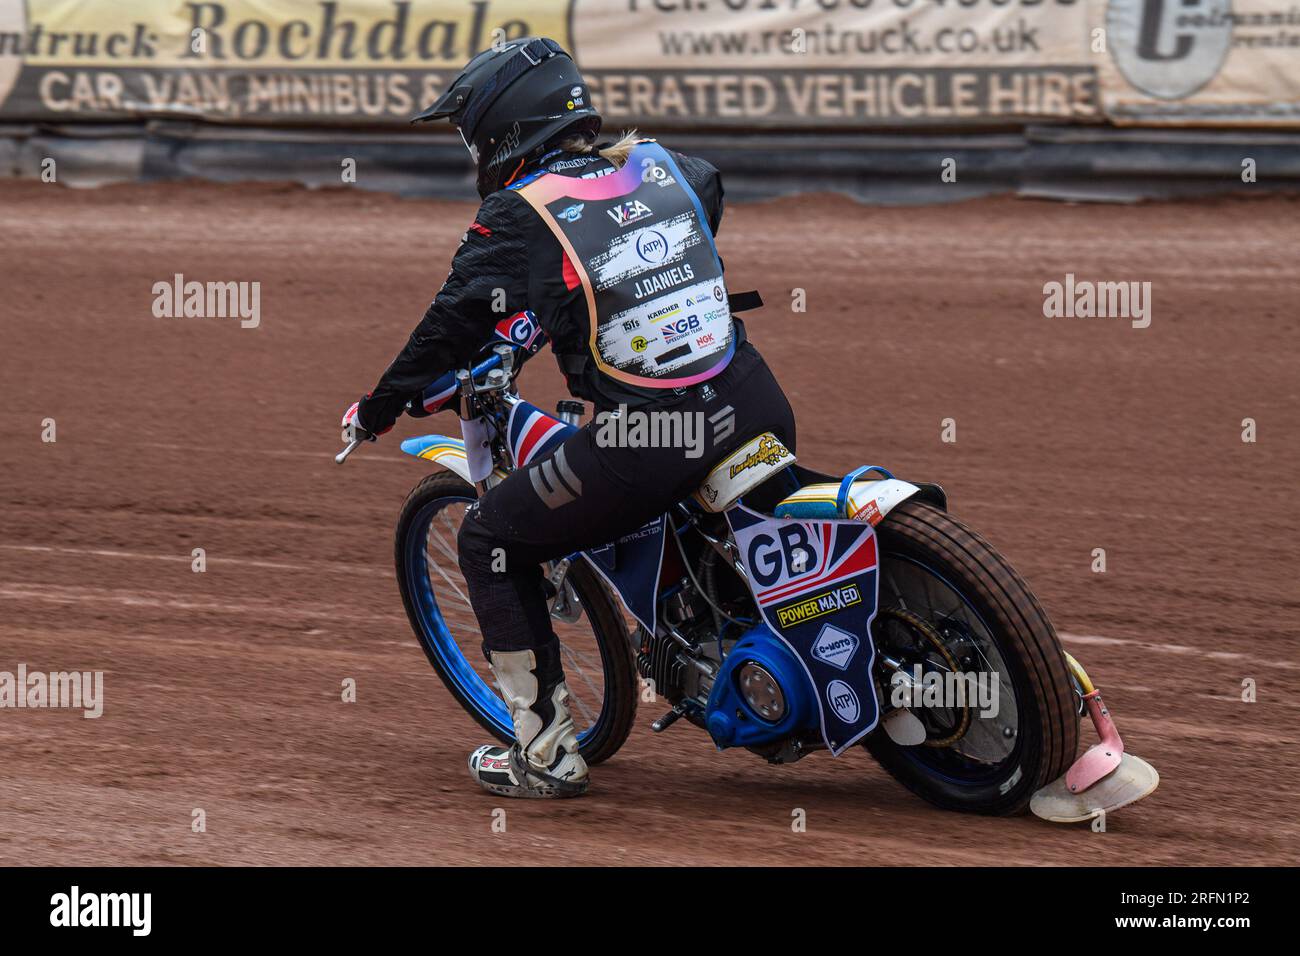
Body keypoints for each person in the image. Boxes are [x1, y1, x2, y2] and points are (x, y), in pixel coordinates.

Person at [342, 37, 796, 798]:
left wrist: (382, 405)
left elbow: (452, 323)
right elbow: (706, 198)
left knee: (490, 537)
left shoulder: (516, 214)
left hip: (652, 443)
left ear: (501, 132)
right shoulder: (666, 164)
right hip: (755, 402)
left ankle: (546, 752)